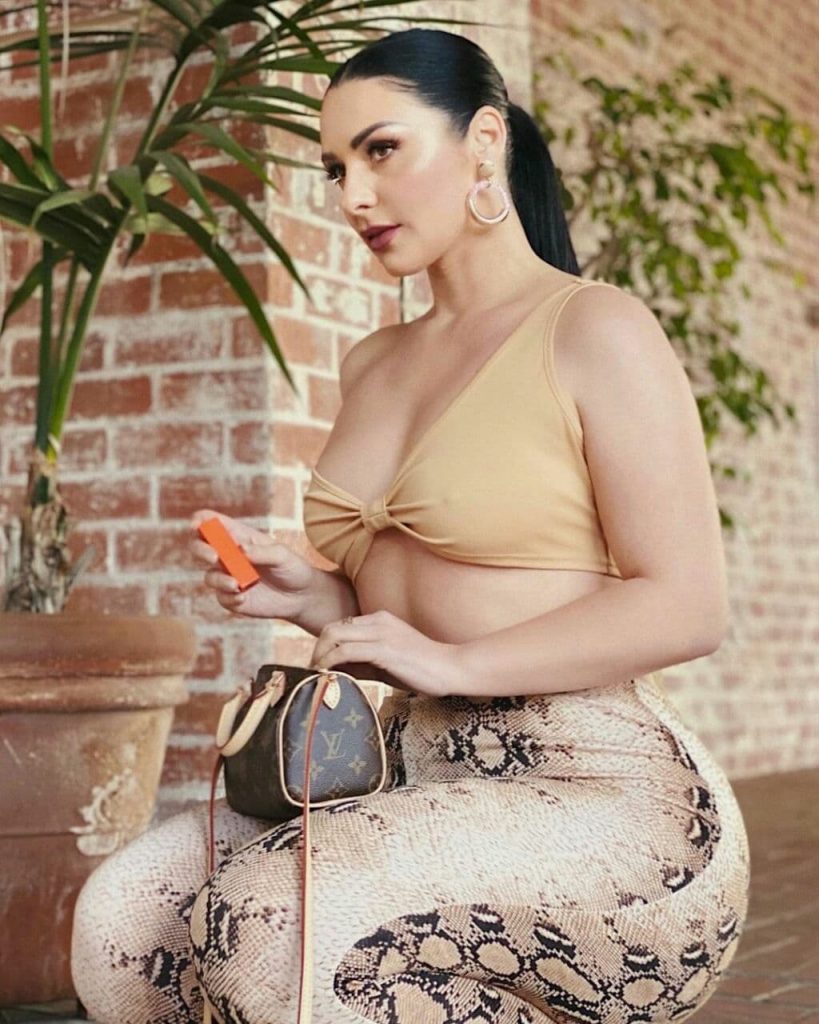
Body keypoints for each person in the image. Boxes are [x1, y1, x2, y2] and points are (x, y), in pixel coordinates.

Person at [70, 26, 750, 1024]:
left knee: (275, 925)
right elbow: (411, 603)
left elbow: (688, 605)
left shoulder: (595, 328)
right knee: (122, 925)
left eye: (382, 151)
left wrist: (452, 663)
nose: (354, 196)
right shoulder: (373, 363)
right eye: (335, 168)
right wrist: (317, 598)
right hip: (408, 767)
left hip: (602, 791)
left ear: (484, 143)